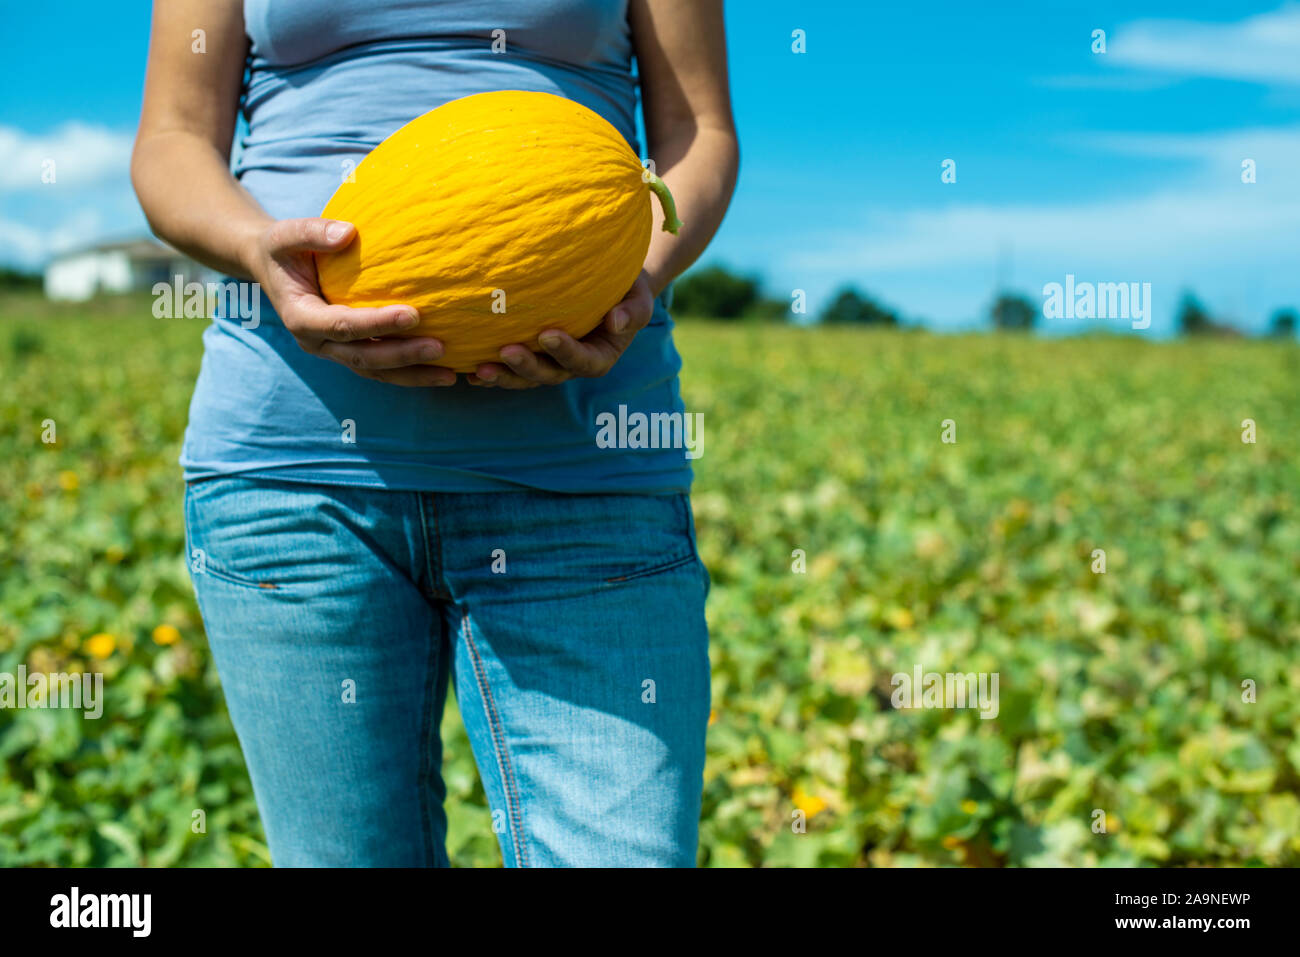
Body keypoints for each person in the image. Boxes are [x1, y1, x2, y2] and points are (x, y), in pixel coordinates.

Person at [130, 0, 739, 867]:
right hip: (294, 474)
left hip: (582, 473)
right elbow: (171, 140)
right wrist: (257, 243)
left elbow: (700, 130)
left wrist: (630, 274)